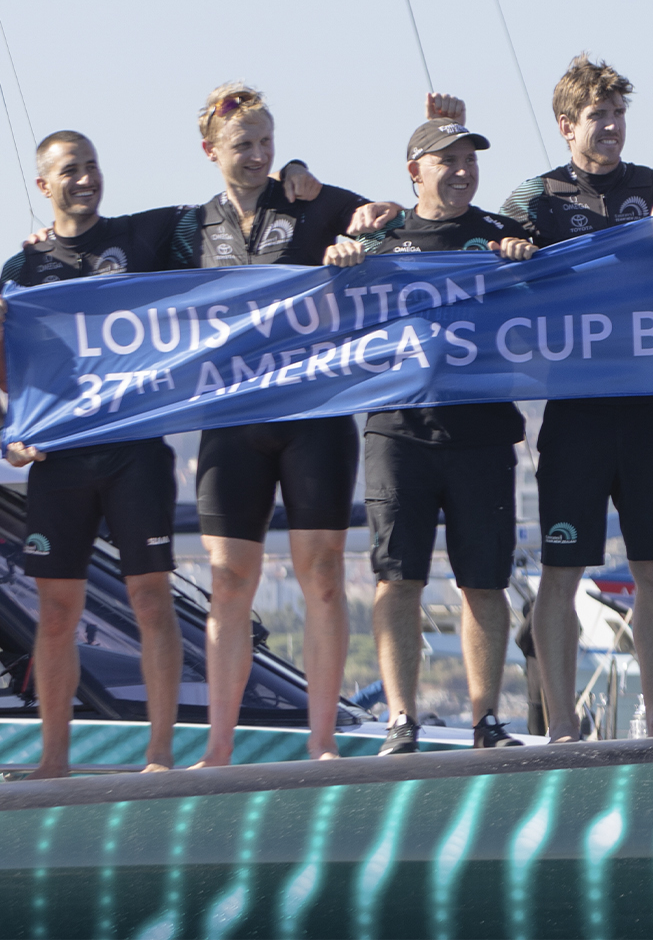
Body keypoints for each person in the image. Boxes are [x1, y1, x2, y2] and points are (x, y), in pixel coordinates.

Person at [171, 82, 401, 766]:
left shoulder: (308, 201)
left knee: (322, 574)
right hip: (231, 418)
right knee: (230, 580)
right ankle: (218, 748)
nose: (258, 155)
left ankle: (324, 741)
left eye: (267, 142)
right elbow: (104, 263)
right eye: (244, 145)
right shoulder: (187, 228)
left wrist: (358, 234)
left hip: (314, 414)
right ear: (210, 151)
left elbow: (388, 222)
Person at [499, 55, 653, 741]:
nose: (610, 126)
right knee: (561, 569)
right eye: (596, 116)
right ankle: (560, 725)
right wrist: (504, 247)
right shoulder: (536, 198)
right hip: (574, 412)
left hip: (647, 407)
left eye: (617, 114)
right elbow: (482, 250)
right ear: (566, 126)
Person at [327, 111, 536, 753]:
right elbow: (333, 312)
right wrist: (339, 256)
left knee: (484, 582)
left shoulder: (505, 234)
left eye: (471, 158)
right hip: (398, 432)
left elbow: (562, 287)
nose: (464, 170)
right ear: (415, 171)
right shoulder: (381, 244)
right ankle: (400, 720)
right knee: (398, 579)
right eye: (448, 160)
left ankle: (485, 722)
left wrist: (527, 261)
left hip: (482, 432)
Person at [1, 132, 189, 777]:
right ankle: (55, 761)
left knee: (150, 600)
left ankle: (159, 756)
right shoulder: (20, 273)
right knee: (55, 612)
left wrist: (302, 182)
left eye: (92, 166)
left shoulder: (141, 238)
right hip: (61, 460)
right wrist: (13, 432)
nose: (85, 179)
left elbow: (233, 221)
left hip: (134, 449)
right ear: (43, 187)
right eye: (70, 171)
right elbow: (7, 374)